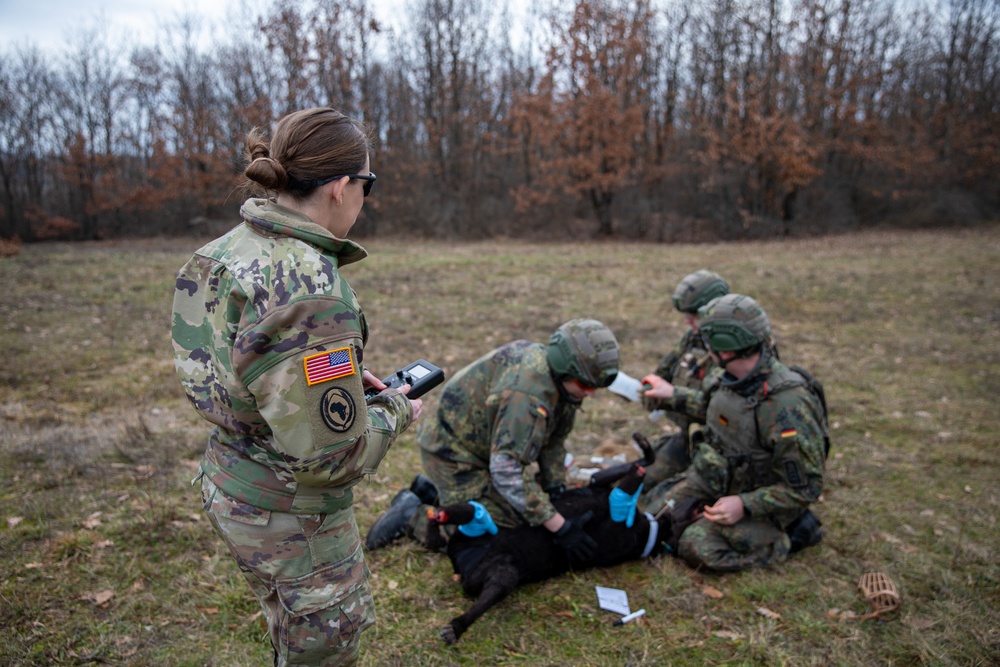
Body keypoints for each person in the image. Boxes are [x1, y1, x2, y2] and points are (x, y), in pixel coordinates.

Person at [171, 107, 421, 667]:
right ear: (339, 187)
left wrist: (334, 379)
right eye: (367, 184)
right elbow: (333, 457)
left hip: (231, 483)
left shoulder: (225, 251)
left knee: (284, 620)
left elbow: (237, 366)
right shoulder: (308, 287)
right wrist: (397, 410)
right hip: (291, 516)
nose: (364, 197)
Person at [365, 318, 621, 562]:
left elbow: (553, 441)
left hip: (484, 449)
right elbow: (507, 472)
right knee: (495, 526)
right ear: (566, 367)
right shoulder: (527, 396)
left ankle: (433, 490)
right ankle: (414, 516)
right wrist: (561, 527)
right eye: (584, 384)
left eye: (595, 386)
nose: (591, 393)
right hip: (452, 454)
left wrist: (556, 489)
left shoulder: (560, 382)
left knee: (531, 506)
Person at [640, 294, 825, 571]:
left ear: (725, 350)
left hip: (760, 499)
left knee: (696, 546)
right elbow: (708, 407)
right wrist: (672, 395)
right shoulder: (724, 377)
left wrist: (744, 504)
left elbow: (806, 487)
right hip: (714, 478)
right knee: (649, 518)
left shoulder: (787, 406)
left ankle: (792, 536)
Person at [641, 270, 730, 486]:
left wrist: (673, 395)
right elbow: (663, 371)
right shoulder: (693, 337)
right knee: (641, 479)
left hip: (726, 450)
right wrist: (650, 390)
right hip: (690, 436)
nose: (688, 321)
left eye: (695, 315)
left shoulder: (735, 347)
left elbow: (726, 410)